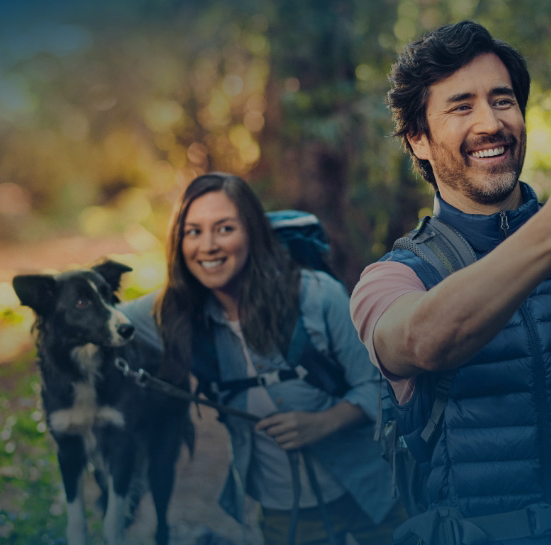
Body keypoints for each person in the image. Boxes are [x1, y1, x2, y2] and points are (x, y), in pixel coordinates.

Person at [349, 20, 551, 545]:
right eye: (461, 107)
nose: (491, 122)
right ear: (417, 139)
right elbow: (425, 339)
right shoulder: (390, 280)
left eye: (503, 101)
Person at [141, 172, 405, 545]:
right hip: (285, 512)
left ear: (252, 232)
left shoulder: (317, 296)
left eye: (225, 228)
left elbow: (381, 387)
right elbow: (107, 323)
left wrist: (322, 423)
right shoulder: (178, 315)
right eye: (193, 232)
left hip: (373, 490)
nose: (209, 246)